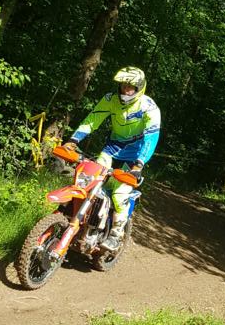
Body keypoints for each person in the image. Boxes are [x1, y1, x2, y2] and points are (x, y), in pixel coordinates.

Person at [65, 67, 160, 250]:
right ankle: (77, 220)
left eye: (130, 87)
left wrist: (139, 164)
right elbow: (92, 120)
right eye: (123, 85)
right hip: (111, 150)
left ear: (140, 87)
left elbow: (151, 138)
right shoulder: (110, 99)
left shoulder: (149, 107)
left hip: (133, 158)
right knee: (87, 182)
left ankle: (116, 233)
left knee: (119, 194)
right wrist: (73, 140)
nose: (126, 90)